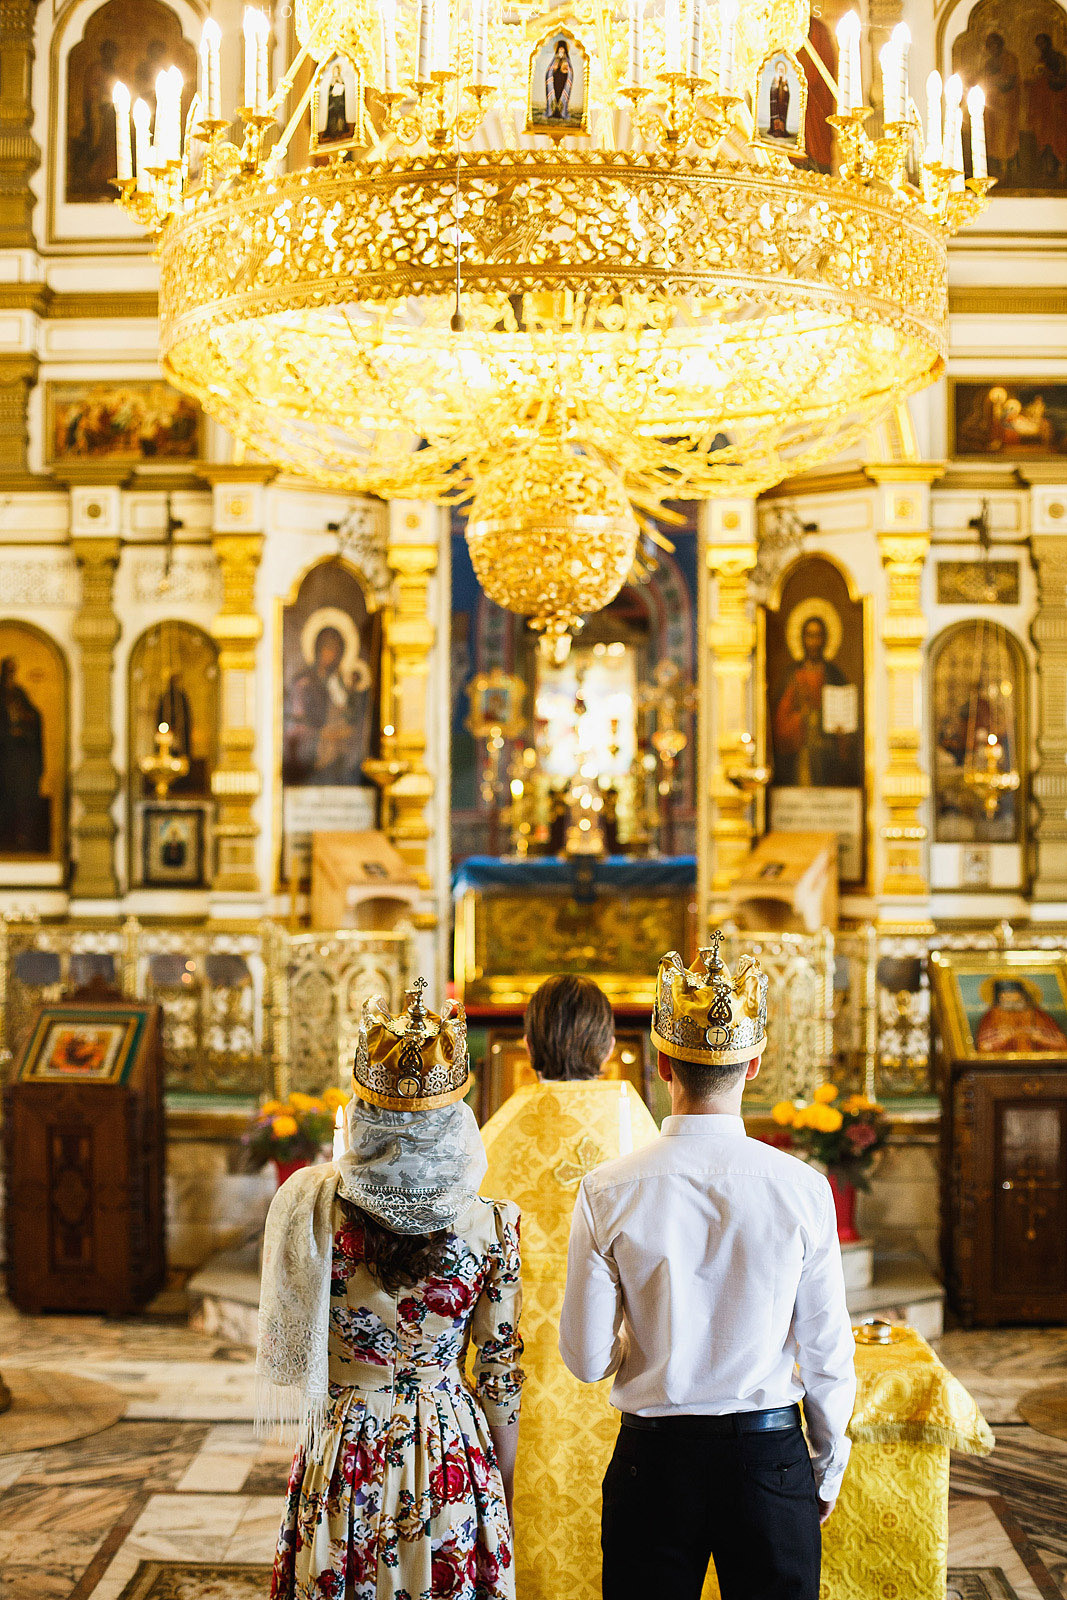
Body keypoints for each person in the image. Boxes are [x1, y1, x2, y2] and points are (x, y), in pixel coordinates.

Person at [560, 935, 856, 1600]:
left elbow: (584, 1359)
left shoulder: (607, 1189)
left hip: (654, 1461)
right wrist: (825, 1466)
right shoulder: (803, 1188)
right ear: (754, 1065)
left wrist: (650, 1340)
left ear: (662, 1063)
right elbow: (827, 1351)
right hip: (769, 1458)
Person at [262, 978, 524, 1600]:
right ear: (454, 1119)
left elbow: (288, 1347)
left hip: (345, 1444)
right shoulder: (493, 1225)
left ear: (365, 1115)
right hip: (448, 1448)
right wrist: (500, 1485)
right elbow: (499, 1376)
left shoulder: (311, 1208)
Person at [479, 975, 658, 1600]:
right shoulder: (637, 1131)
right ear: (607, 1046)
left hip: (516, 1370)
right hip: (622, 1369)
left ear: (528, 1045)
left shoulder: (493, 1137)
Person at [771, 611, 859, 787]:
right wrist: (802, 717)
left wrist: (842, 732)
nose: (814, 642)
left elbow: (849, 721)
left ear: (825, 639)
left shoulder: (835, 675)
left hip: (829, 754)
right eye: (810, 636)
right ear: (802, 639)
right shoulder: (792, 676)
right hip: (801, 753)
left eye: (818, 636)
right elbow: (781, 723)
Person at [975, 977, 1067, 1054]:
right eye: (1006, 997)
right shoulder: (990, 1016)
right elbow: (982, 1047)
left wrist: (1040, 1037)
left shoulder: (1038, 1014)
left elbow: (1062, 1043)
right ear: (999, 997)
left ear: (1022, 995)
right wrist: (1002, 1038)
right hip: (1003, 1065)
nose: (1011, 1000)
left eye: (1014, 996)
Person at [545, 40, 573, 119]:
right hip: (555, 81)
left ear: (565, 50)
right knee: (555, 95)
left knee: (561, 95)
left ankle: (561, 113)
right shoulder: (555, 59)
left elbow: (569, 72)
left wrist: (564, 70)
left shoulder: (566, 59)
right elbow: (550, 71)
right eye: (560, 49)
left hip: (563, 81)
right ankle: (553, 112)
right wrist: (554, 69)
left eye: (562, 49)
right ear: (557, 50)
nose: (561, 50)